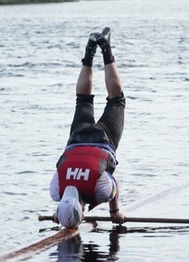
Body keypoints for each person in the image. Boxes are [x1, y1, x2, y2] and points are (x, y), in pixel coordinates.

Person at [50, 27, 126, 229]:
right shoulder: (55, 191)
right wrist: (59, 212)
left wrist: (114, 212)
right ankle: (90, 50)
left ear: (82, 212)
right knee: (83, 100)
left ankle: (106, 47)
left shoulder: (101, 191)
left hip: (103, 140)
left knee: (116, 100)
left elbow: (114, 185)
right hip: (77, 138)